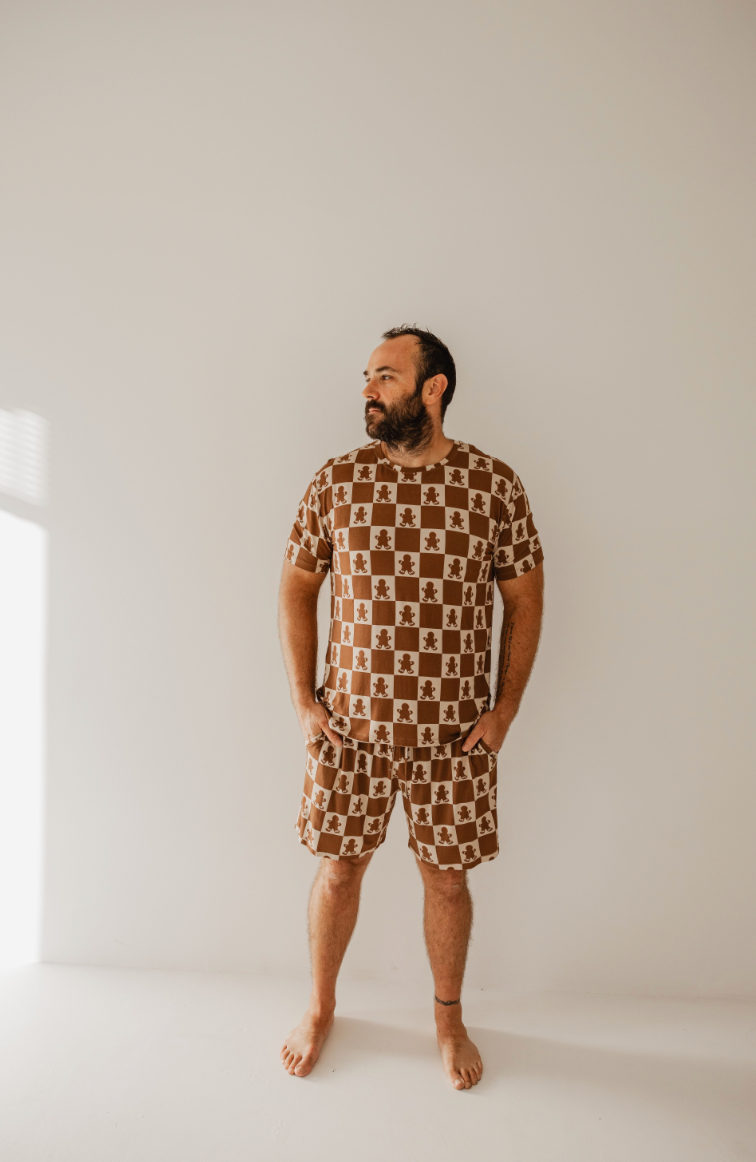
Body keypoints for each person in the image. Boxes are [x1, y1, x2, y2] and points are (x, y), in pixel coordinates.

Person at [278, 325, 545, 1089]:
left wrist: (505, 710)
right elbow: (298, 585)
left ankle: (447, 1016)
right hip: (350, 730)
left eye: (386, 376)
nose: (368, 389)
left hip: (456, 739)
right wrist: (304, 699)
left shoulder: (494, 486)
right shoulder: (336, 482)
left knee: (450, 881)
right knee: (337, 873)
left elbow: (525, 597)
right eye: (367, 376)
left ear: (435, 388)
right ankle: (322, 1007)